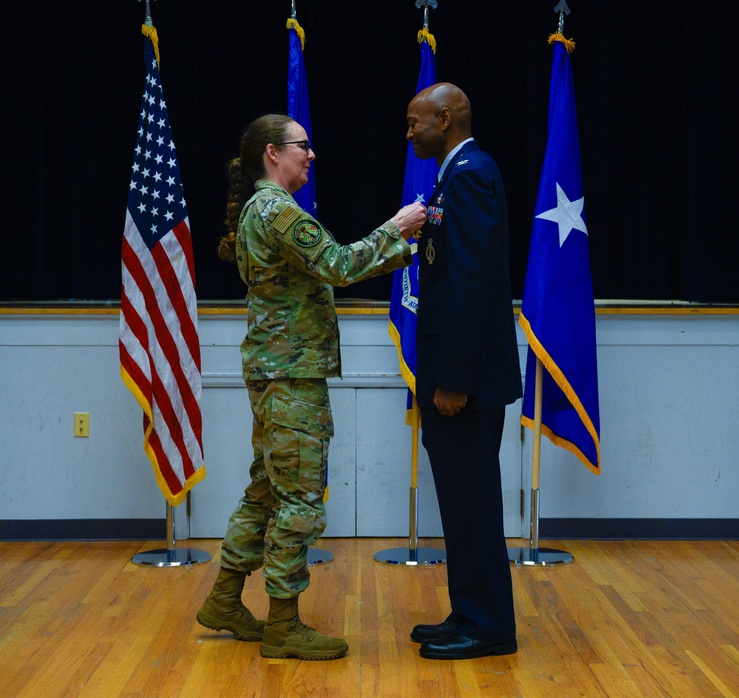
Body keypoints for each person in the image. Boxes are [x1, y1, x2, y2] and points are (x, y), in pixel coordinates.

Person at [196, 113, 426, 660]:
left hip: (278, 370)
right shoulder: (276, 209)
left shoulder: (264, 207)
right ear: (273, 153)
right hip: (291, 374)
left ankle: (226, 599)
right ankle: (282, 623)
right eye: (303, 146)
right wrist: (397, 230)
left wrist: (398, 246)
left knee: (265, 490)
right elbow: (338, 265)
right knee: (299, 498)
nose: (312, 155)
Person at [404, 83, 523, 659]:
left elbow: (473, 286)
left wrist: (454, 378)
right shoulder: (455, 173)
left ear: (444, 119)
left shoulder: (471, 173)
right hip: (457, 371)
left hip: (465, 381)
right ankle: (469, 611)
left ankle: (491, 625)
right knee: (458, 499)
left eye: (415, 123)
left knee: (472, 500)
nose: (410, 133)